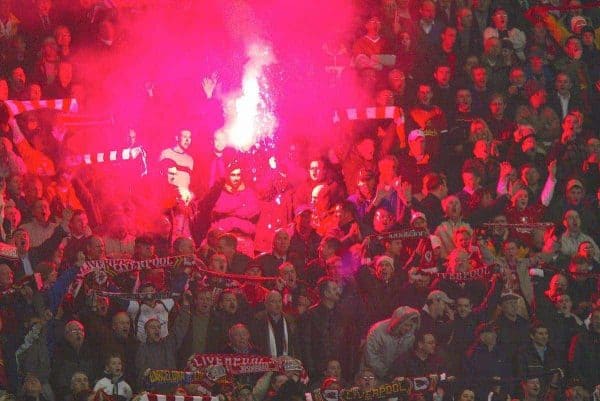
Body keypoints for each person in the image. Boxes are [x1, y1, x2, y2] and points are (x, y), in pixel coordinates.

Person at [361, 306, 420, 381]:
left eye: (411, 326)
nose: (408, 328)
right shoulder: (377, 331)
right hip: (372, 377)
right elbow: (371, 357)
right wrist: (386, 374)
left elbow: (406, 358)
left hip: (394, 378)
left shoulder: (410, 336)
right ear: (398, 322)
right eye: (406, 325)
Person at [159, 129, 194, 201]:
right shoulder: (166, 153)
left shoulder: (190, 160)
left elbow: (189, 185)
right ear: (177, 138)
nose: (187, 140)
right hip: (167, 201)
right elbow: (158, 180)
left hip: (183, 204)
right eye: (185, 136)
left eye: (189, 137)